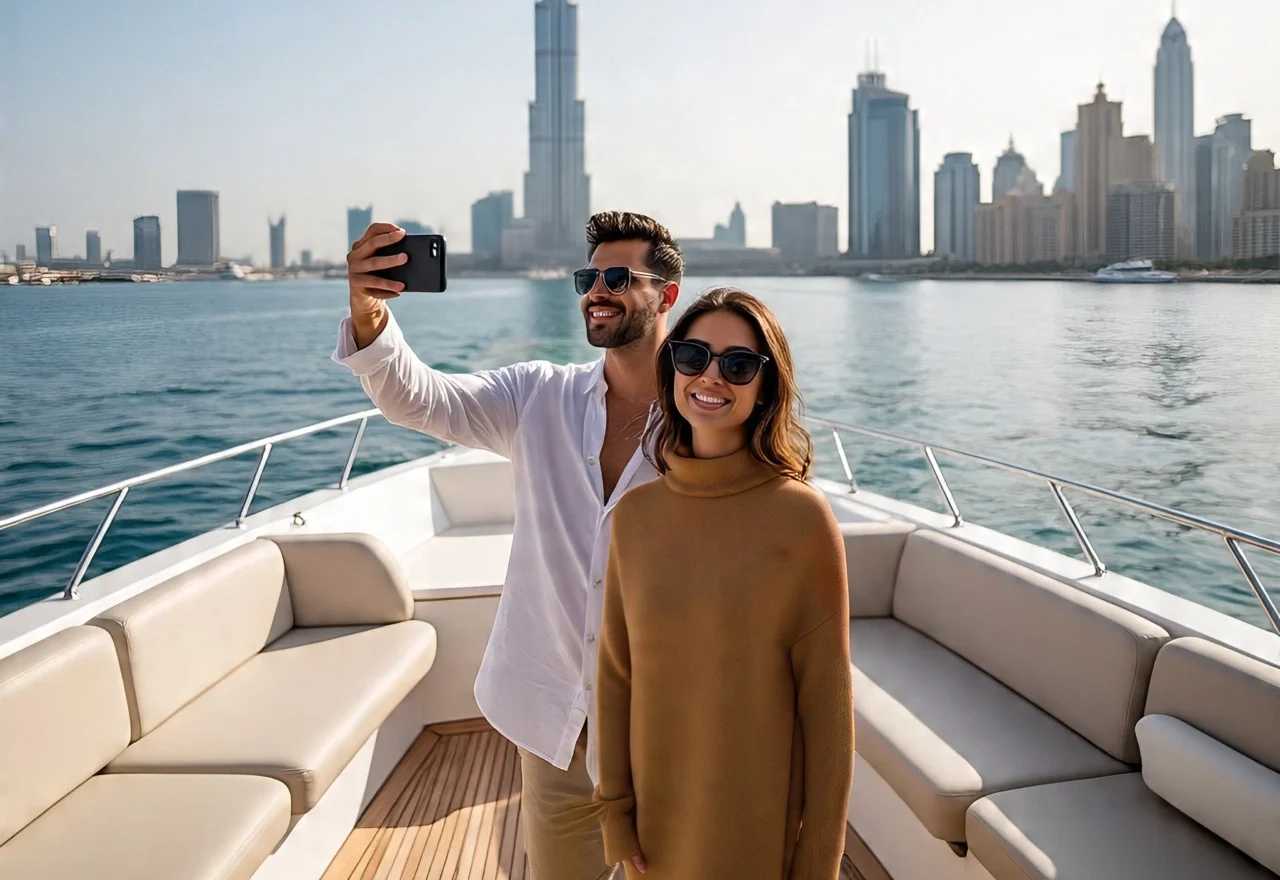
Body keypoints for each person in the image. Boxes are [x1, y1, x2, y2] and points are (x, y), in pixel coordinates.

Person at [333, 212, 684, 880]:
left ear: (665, 296)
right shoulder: (538, 396)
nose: (596, 291)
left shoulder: (704, 414)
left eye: (617, 277)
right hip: (552, 714)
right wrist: (368, 309)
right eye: (589, 277)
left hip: (664, 725)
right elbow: (420, 399)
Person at [594, 287, 854, 879]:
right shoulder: (634, 517)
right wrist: (616, 812)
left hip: (757, 833)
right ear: (673, 368)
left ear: (765, 387)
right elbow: (615, 676)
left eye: (738, 364)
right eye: (693, 356)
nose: (711, 376)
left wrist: (818, 862)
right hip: (652, 835)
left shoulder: (801, 517)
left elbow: (828, 710)